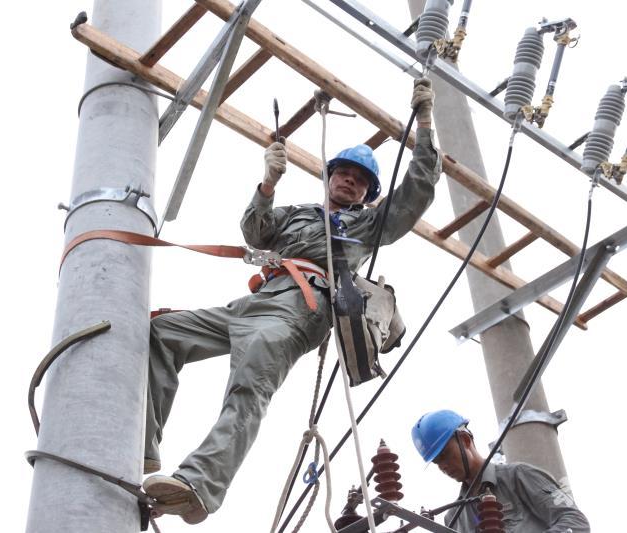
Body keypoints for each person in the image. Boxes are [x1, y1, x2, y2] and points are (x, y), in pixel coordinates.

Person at [141, 78, 441, 524]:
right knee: (162, 332)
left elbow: (417, 190)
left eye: (361, 181)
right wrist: (268, 183)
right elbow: (255, 232)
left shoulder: (366, 226)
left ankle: (200, 485)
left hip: (299, 310)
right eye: (345, 173)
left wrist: (425, 124)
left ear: (367, 194)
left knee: (251, 380)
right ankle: (140, 444)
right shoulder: (300, 214)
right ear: (330, 176)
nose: (351, 182)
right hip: (255, 303)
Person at [411, 409, 590, 532]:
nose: (443, 466)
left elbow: (576, 522)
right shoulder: (454, 518)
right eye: (436, 462)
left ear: (465, 440)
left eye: (445, 455)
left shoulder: (518, 477)